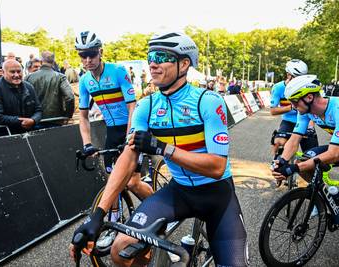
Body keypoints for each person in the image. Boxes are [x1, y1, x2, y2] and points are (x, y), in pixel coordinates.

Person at [69, 31, 248, 267]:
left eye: (162, 56)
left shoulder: (208, 101)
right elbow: (128, 157)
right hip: (179, 191)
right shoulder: (147, 105)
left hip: (216, 194)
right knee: (120, 249)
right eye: (150, 56)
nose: (152, 62)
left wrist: (164, 148)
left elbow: (216, 167)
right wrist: (98, 216)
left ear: (184, 64)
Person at [75, 30, 153, 247]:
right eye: (83, 55)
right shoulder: (84, 81)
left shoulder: (117, 71)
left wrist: (131, 134)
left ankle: (159, 212)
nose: (88, 60)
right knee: (113, 181)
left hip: (131, 127)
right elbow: (83, 116)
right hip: (111, 132)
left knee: (133, 182)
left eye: (91, 54)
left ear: (100, 52)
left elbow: (132, 107)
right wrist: (87, 144)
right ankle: (113, 223)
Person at [272, 74, 339, 184]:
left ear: (309, 97)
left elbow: (334, 154)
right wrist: (281, 161)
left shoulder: (336, 109)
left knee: (300, 166)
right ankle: (321, 196)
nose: (293, 106)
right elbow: (294, 140)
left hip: (336, 151)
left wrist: (294, 168)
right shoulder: (305, 112)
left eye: (294, 101)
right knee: (303, 162)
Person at [269, 59, 318, 159]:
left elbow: (315, 108)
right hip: (288, 122)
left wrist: (311, 125)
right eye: (297, 77)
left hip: (306, 121)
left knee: (313, 155)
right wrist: (291, 107)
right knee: (278, 142)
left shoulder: (307, 87)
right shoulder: (278, 88)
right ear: (288, 75)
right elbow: (273, 111)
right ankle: (276, 164)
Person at [0, 59, 42, 136]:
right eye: (12, 72)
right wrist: (20, 121)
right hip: (5, 135)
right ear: (3, 72)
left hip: (28, 134)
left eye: (19, 71)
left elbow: (38, 110)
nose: (16, 75)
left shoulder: (29, 87)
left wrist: (33, 120)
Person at [25, 51, 74, 122]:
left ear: (41, 62)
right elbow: (70, 97)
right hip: (56, 119)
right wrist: (67, 115)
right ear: (54, 63)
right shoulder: (60, 77)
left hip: (34, 120)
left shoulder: (28, 77)